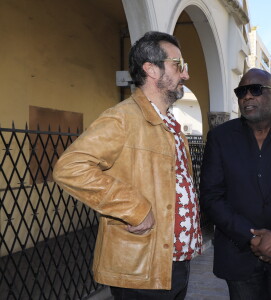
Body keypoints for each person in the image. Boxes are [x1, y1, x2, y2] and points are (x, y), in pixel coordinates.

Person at [53, 31, 202, 300]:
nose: (185, 75)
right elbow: (70, 167)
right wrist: (134, 208)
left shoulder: (171, 125)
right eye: (178, 65)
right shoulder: (122, 118)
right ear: (151, 70)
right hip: (142, 268)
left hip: (175, 262)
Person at [200, 68, 271, 299]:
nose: (247, 96)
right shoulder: (220, 138)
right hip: (238, 256)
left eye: (255, 89)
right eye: (241, 91)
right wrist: (251, 237)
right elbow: (211, 196)